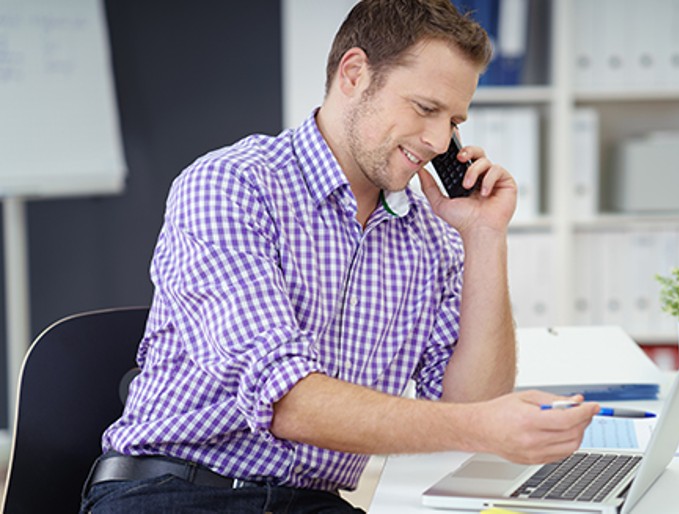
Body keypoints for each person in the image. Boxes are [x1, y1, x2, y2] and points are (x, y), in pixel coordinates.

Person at [80, 1, 599, 512]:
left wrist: (485, 237)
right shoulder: (231, 185)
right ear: (354, 74)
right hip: (177, 491)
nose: (440, 139)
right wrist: (483, 426)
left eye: (455, 120)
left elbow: (470, 407)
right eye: (425, 108)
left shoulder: (430, 239)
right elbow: (288, 403)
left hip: (310, 502)